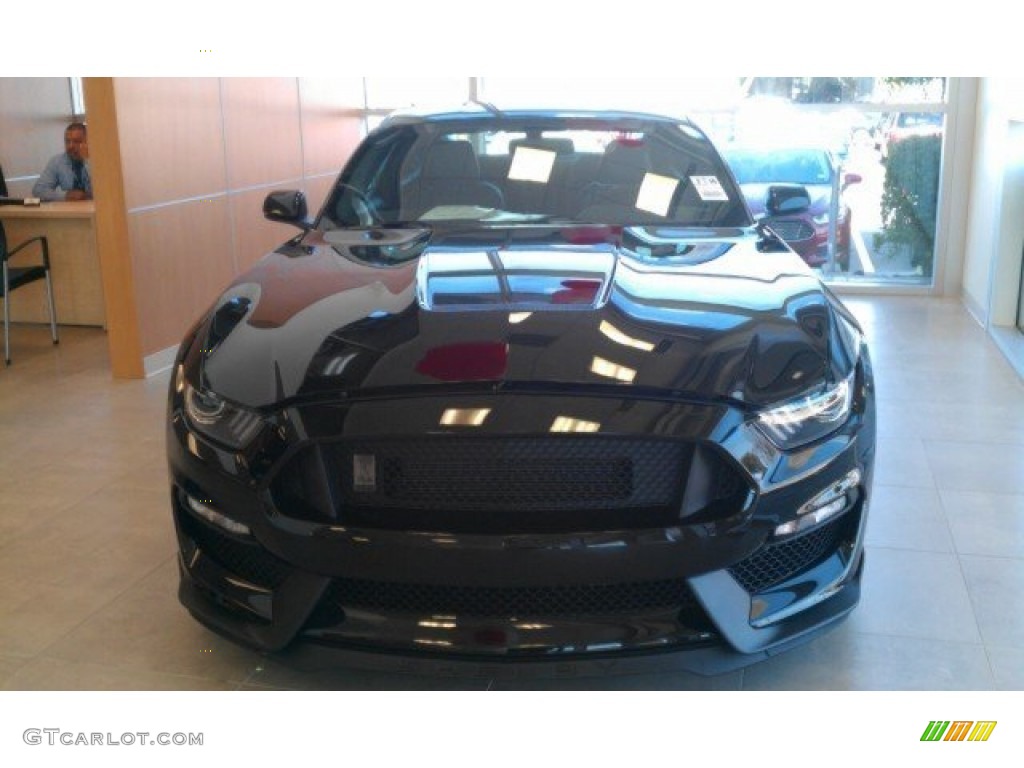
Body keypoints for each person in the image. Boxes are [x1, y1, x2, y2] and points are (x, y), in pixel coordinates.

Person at [32, 122, 92, 201]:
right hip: (73, 211)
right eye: (67, 141)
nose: (70, 146)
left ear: (87, 142)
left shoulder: (99, 160)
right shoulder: (57, 162)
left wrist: (87, 160)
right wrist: (65, 195)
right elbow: (38, 190)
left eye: (76, 141)